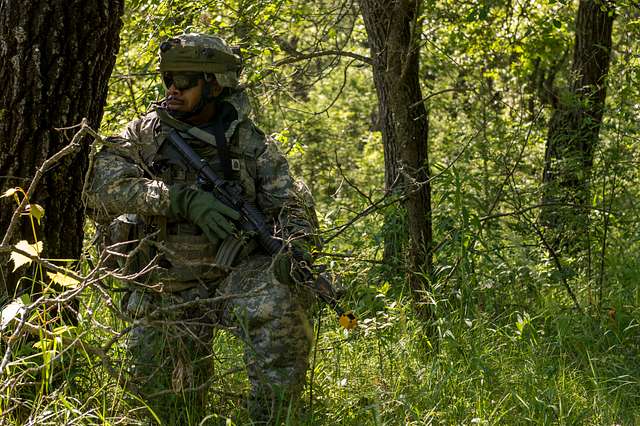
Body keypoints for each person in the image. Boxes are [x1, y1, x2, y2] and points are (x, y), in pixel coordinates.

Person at [85, 33, 319, 425]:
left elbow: (289, 204)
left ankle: (274, 417)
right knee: (166, 412)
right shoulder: (143, 135)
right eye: (168, 79)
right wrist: (179, 200)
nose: (173, 88)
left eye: (185, 79)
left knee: (281, 302)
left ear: (214, 84)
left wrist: (295, 249)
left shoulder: (250, 142)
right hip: (164, 283)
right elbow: (100, 189)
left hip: (233, 278)